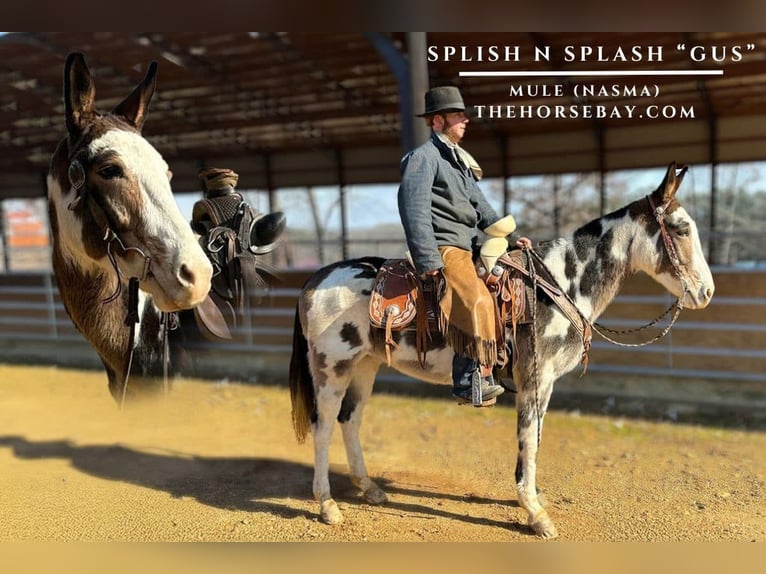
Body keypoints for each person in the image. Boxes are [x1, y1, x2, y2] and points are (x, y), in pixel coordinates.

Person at [397, 86, 531, 407]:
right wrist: (428, 258)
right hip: (447, 247)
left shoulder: (459, 164)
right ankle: (469, 379)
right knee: (476, 298)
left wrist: (511, 240)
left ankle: (497, 362)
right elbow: (412, 209)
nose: (465, 121)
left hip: (471, 247)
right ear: (438, 121)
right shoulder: (422, 159)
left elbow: (484, 211)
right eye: (458, 116)